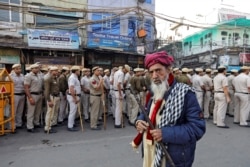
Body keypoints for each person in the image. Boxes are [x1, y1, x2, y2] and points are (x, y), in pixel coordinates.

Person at [135, 51, 205, 167]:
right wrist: (139, 121)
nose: (154, 76)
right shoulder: (153, 91)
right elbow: (147, 112)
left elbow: (197, 128)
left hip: (172, 156)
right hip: (150, 151)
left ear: (168, 69)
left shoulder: (186, 93)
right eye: (151, 72)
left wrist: (165, 133)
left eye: (158, 70)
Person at [24, 63, 43, 133]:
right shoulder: (28, 76)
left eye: (37, 68)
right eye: (35, 68)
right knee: (31, 111)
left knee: (38, 111)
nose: (37, 69)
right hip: (33, 95)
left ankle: (36, 123)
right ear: (31, 69)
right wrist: (30, 98)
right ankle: (30, 126)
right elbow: (26, 88)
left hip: (39, 94)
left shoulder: (39, 75)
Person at [43, 66, 60, 133]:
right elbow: (46, 91)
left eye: (57, 70)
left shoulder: (55, 77)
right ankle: (47, 127)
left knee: (53, 113)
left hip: (55, 96)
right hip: (51, 96)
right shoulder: (48, 78)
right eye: (55, 71)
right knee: (50, 112)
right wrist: (49, 100)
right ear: (51, 71)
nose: (56, 72)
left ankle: (51, 125)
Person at [9, 64, 25, 129]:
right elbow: (8, 87)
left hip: (22, 95)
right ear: (14, 69)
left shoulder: (22, 76)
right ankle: (12, 126)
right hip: (14, 95)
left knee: (20, 111)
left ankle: (19, 124)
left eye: (20, 68)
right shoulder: (10, 76)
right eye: (17, 69)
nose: (19, 70)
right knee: (13, 111)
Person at [67, 66, 81, 132]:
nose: (79, 72)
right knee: (72, 111)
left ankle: (72, 123)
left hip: (76, 95)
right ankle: (70, 126)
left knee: (74, 111)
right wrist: (74, 98)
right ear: (76, 71)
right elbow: (71, 88)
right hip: (73, 96)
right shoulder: (72, 78)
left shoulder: (75, 77)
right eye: (79, 70)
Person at [89, 66, 103, 130]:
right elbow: (96, 88)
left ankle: (96, 122)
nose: (99, 72)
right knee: (94, 111)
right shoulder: (92, 79)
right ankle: (93, 125)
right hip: (94, 96)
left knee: (98, 111)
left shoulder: (98, 77)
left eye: (99, 70)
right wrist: (100, 81)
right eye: (98, 71)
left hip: (99, 96)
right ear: (94, 71)